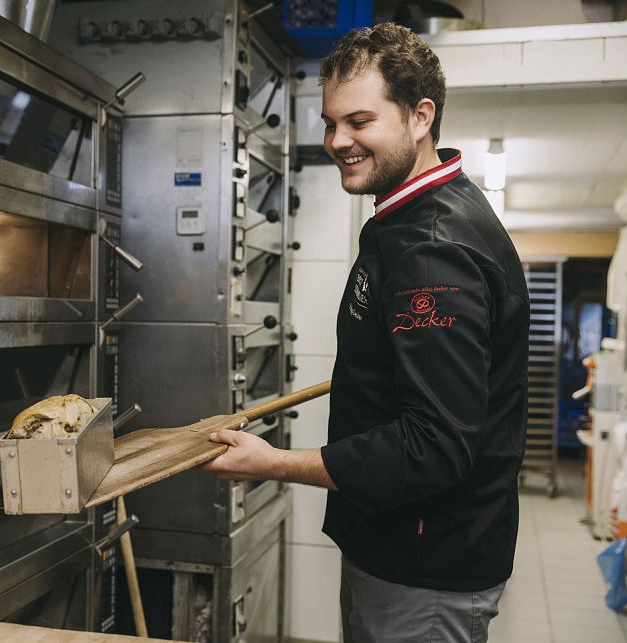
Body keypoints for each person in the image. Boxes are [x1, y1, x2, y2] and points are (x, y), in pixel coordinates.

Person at [201, 22, 529, 643]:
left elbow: (434, 446)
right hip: (407, 549)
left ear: (420, 115)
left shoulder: (432, 252)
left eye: (359, 121)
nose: (338, 141)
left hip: (424, 566)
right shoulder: (416, 219)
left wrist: (275, 463)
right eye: (329, 123)